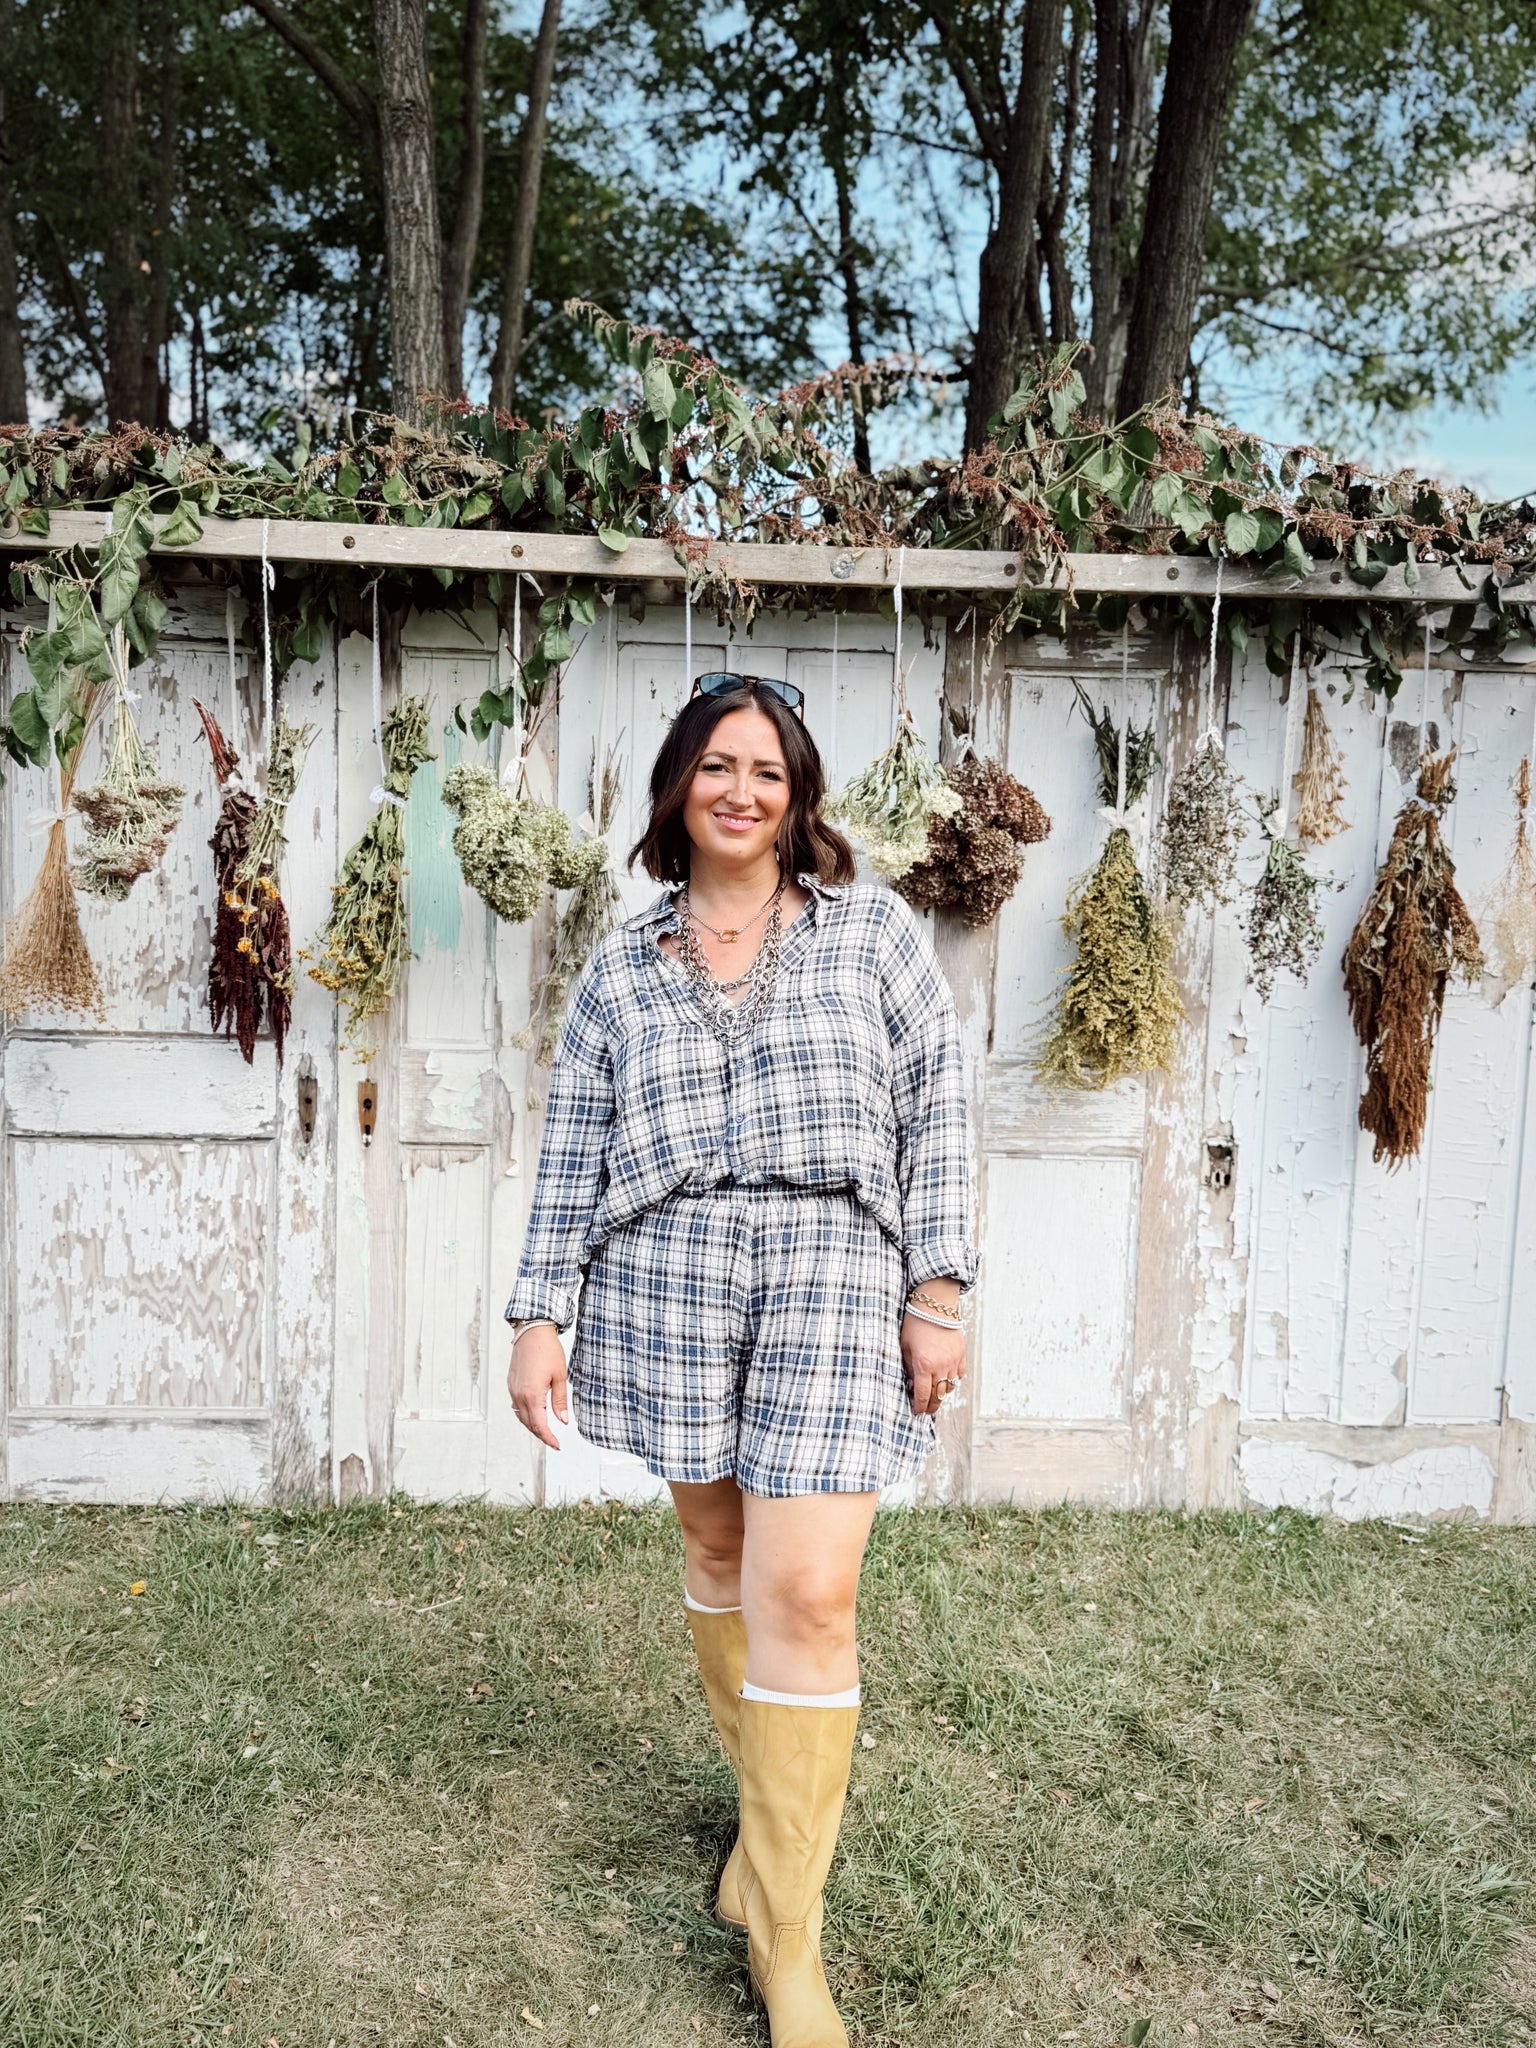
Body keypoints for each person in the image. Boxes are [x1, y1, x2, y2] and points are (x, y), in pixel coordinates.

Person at [504, 671, 980, 2047]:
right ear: (679, 785)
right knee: (719, 1552)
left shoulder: (871, 934)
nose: (741, 790)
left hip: (834, 1275)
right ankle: (761, 1859)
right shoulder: (622, 964)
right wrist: (539, 1313)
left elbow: (938, 1110)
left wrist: (938, 1291)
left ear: (797, 794)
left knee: (810, 1593)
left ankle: (786, 1939)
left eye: (768, 770)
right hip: (670, 1282)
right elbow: (572, 1150)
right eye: (718, 764)